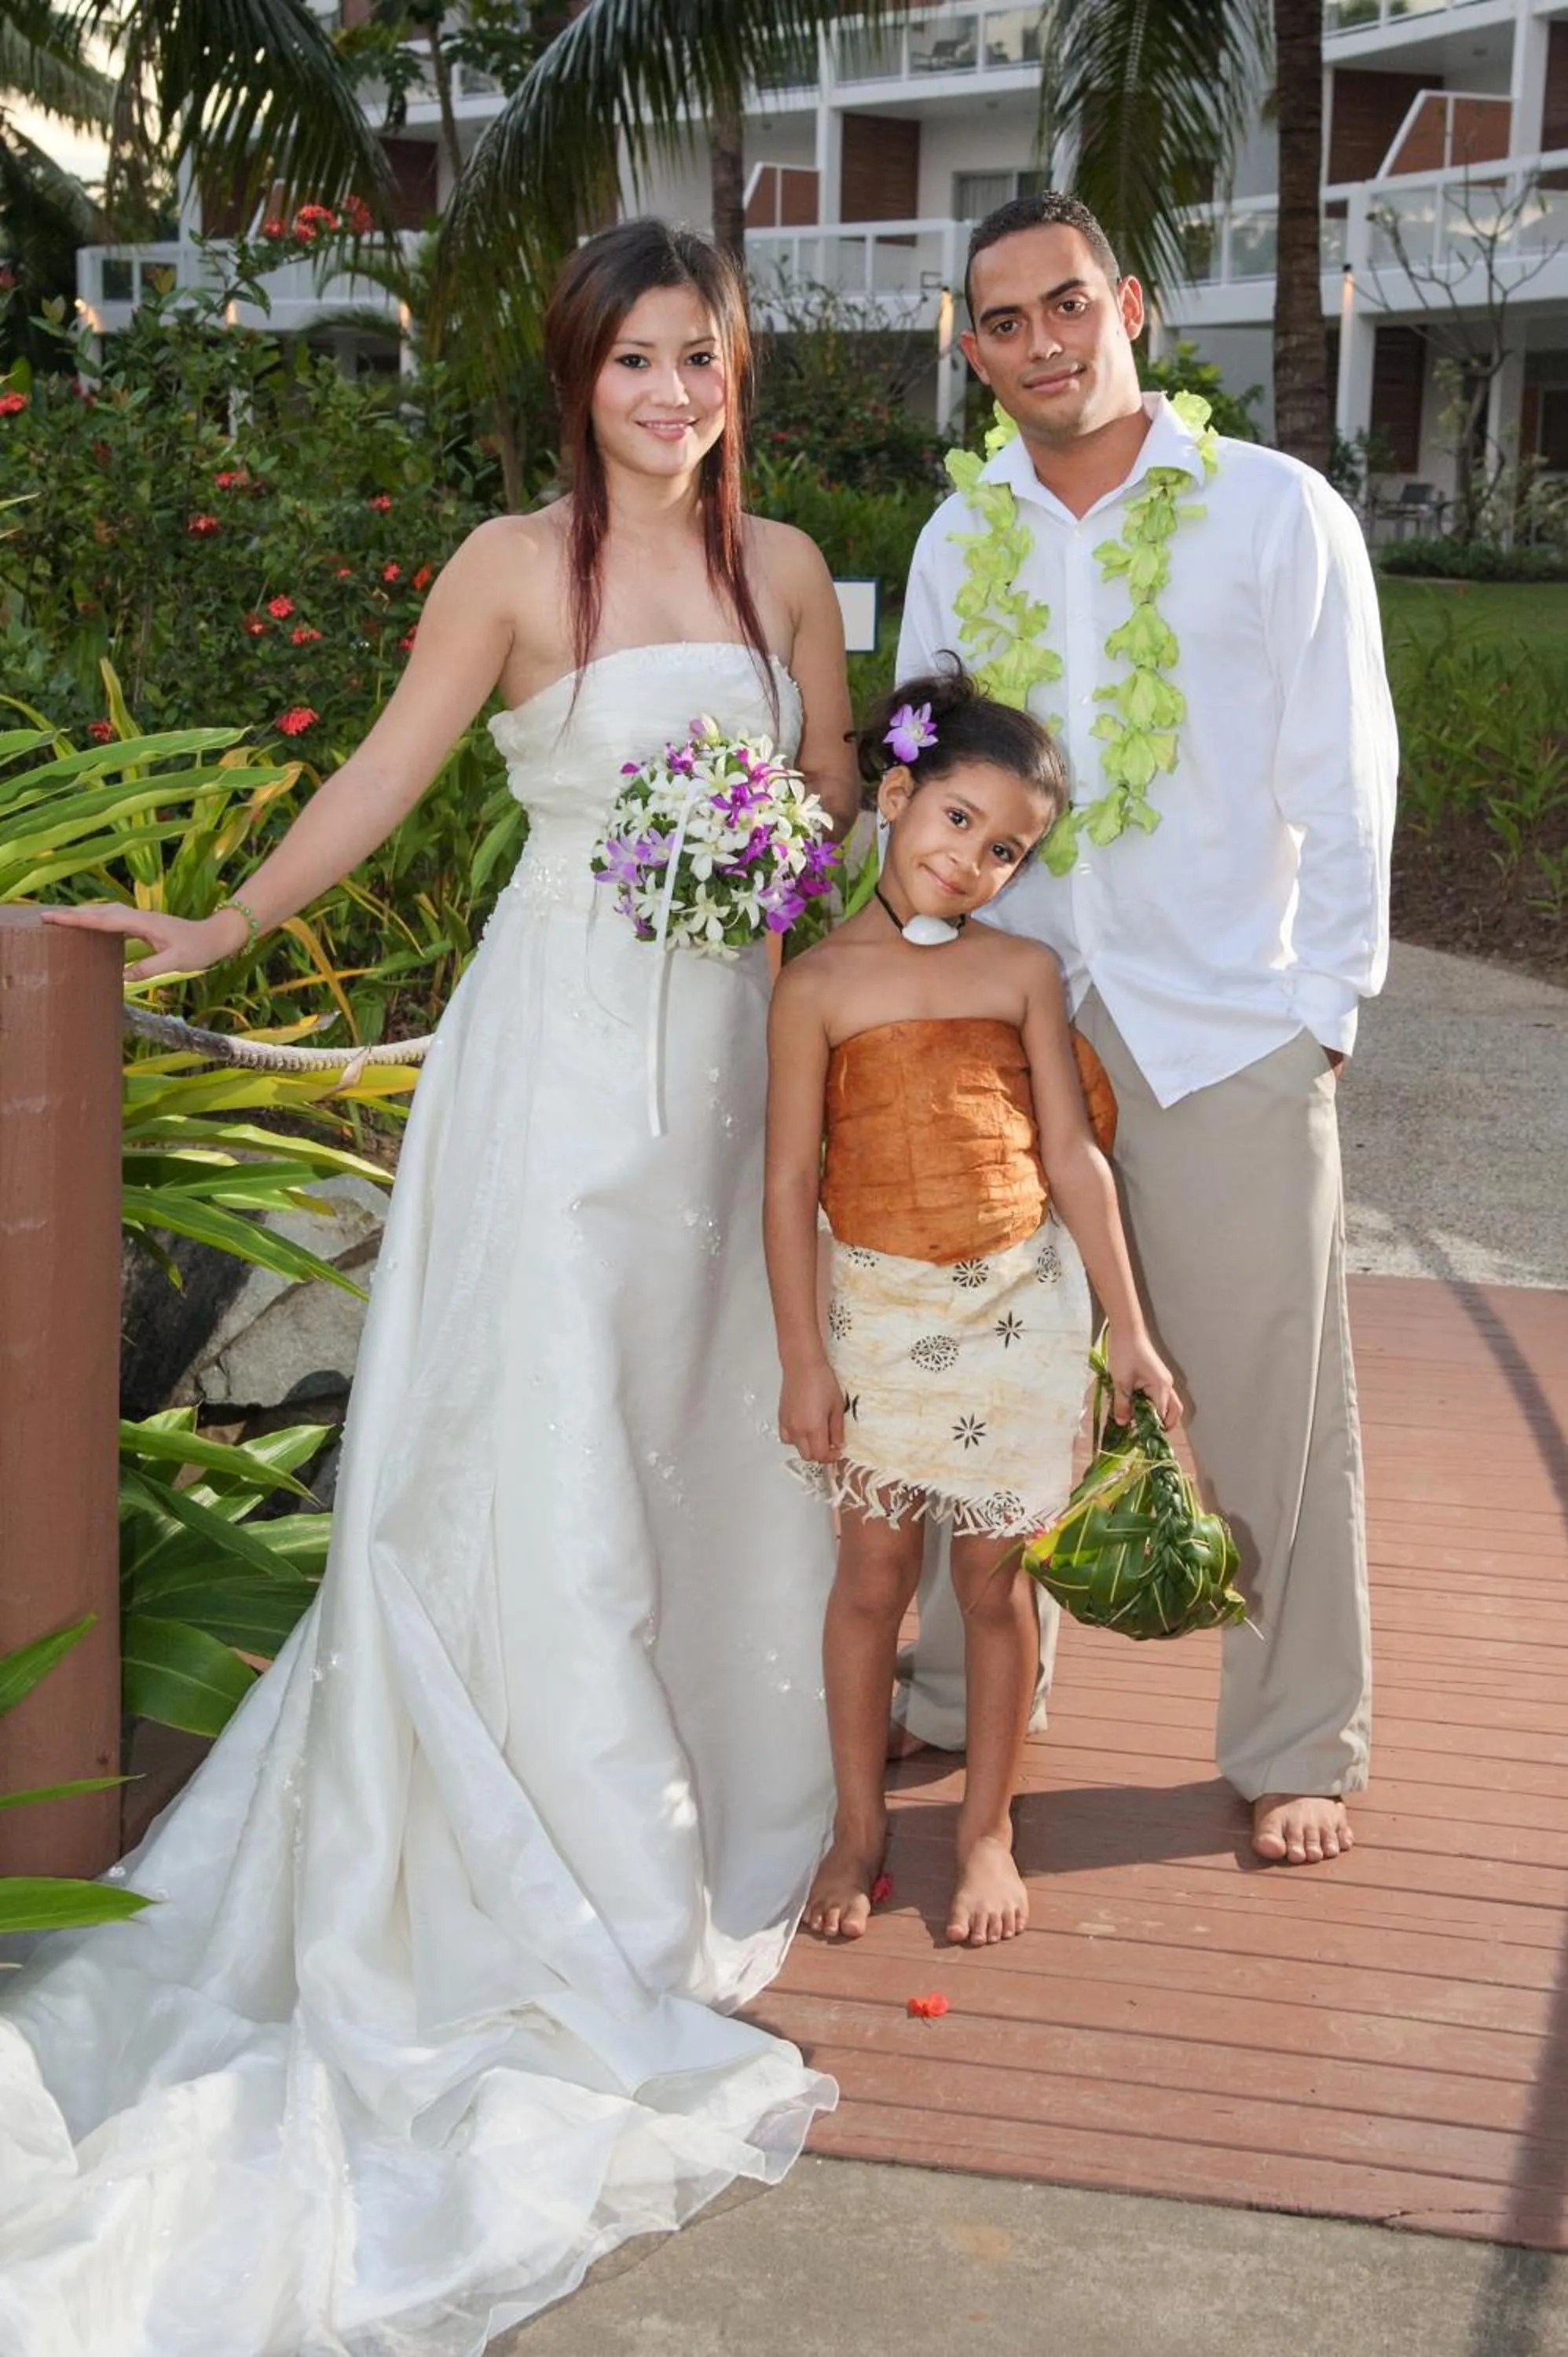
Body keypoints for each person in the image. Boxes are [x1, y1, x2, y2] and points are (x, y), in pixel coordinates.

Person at [2, 218, 861, 2355]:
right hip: (560, 1067)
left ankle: (711, 1792)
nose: (672, 395)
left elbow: (834, 790)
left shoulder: (791, 573)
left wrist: (778, 836)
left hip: (726, 1075)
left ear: (737, 364)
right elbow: (384, 781)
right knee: (547, 1437)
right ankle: (553, 1839)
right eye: (634, 363)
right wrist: (209, 931)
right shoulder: (506, 566)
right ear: (576, 379)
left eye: (701, 357)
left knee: (699, 1418)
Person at [895, 192, 1397, 1869]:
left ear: (1129, 308)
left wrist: (1319, 1008)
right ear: (970, 350)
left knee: (1261, 1392)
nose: (1040, 345)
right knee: (997, 1374)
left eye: (1064, 308)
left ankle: (1291, 1735)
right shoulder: (956, 538)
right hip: (1011, 1018)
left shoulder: (1273, 512)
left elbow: (1345, 769)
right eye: (1000, 323)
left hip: (1217, 1020)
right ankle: (971, 1697)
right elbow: (918, 755)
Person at [764, 666, 1177, 1948]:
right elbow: (786, 1183)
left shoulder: (1023, 972)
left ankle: (987, 1828)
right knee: (871, 1578)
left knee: (997, 1587)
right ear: (895, 794)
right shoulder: (815, 986)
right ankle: (857, 1824)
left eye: (1006, 850)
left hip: (1022, 1312)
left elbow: (1072, 1158)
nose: (975, 862)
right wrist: (802, 1363)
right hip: (874, 1316)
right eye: (958, 824)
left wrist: (1132, 1336)